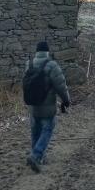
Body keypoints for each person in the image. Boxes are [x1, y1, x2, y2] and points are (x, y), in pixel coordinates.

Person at [25, 41, 70, 173]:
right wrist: (66, 101)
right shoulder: (52, 65)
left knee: (35, 131)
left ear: (37, 51)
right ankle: (36, 155)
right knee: (47, 130)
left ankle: (38, 157)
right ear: (47, 52)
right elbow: (61, 86)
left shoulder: (29, 64)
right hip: (47, 108)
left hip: (33, 107)